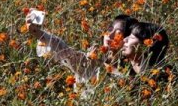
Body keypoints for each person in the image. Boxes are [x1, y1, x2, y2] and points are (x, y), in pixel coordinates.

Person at [25, 11, 170, 95]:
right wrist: (38, 33)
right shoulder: (94, 60)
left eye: (118, 33)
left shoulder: (137, 74)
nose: (109, 35)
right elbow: (64, 51)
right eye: (109, 29)